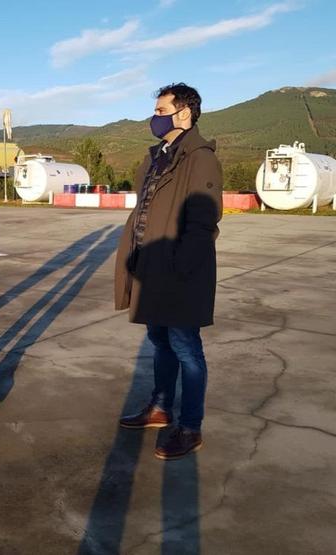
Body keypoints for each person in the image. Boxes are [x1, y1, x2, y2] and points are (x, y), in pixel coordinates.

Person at [114, 83, 223, 460]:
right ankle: (161, 407)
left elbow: (203, 223)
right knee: (160, 342)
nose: (155, 117)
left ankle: (190, 427)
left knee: (187, 349)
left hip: (177, 273)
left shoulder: (200, 158)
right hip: (151, 267)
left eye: (161, 110)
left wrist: (181, 270)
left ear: (184, 114)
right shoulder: (158, 155)